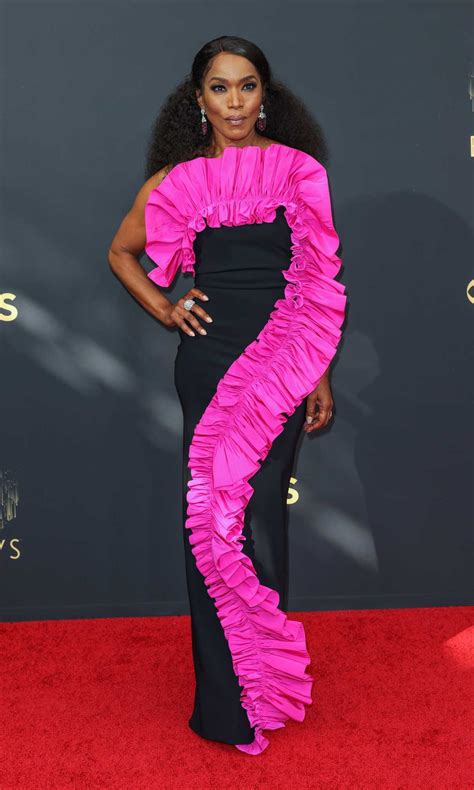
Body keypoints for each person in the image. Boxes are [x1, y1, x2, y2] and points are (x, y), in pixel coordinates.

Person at [108, 35, 347, 756]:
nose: (235, 101)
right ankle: (225, 703)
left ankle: (263, 685)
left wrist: (319, 372)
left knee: (261, 524)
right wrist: (166, 307)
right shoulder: (176, 181)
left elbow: (315, 282)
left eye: (246, 87)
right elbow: (120, 253)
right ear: (199, 99)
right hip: (210, 362)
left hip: (280, 361)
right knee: (213, 523)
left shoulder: (300, 172)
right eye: (220, 88)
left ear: (264, 96)